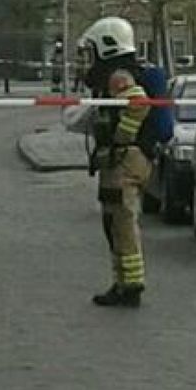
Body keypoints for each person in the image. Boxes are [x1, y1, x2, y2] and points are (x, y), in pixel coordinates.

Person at [66, 17, 154, 308]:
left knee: (122, 222)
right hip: (119, 160)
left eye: (92, 50)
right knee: (113, 221)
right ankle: (122, 281)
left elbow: (138, 103)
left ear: (107, 46)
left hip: (124, 161)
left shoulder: (119, 77)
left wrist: (121, 137)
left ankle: (130, 285)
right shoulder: (116, 75)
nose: (88, 59)